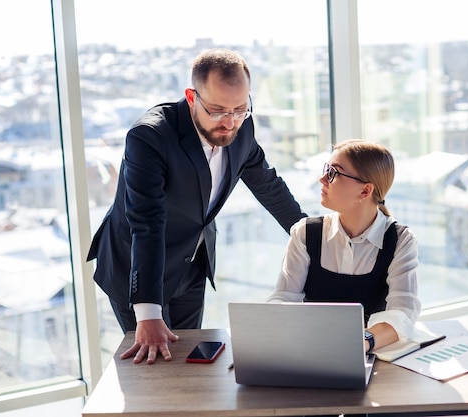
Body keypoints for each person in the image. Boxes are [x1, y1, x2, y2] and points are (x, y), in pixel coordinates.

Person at [87, 49, 306, 364]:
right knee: (154, 371)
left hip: (191, 263)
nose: (229, 122)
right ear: (192, 96)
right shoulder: (149, 137)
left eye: (240, 109)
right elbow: (147, 224)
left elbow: (269, 187)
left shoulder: (242, 127)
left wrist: (313, 237)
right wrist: (148, 312)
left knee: (188, 365)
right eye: (217, 110)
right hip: (138, 265)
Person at [267, 139, 420, 353]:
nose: (322, 179)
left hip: (370, 356)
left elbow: (403, 313)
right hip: (310, 351)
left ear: (365, 192)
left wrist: (363, 342)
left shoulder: (401, 240)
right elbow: (284, 298)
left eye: (333, 173)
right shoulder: (305, 233)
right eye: (325, 169)